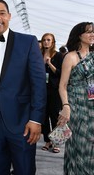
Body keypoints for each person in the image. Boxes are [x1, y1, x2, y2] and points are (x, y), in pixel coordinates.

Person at [0, 0, 46, 175]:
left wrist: (36, 119)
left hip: (23, 124)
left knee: (25, 170)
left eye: (1, 13)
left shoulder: (28, 42)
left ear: (9, 16)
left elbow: (38, 83)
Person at [58, 22, 94, 175]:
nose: (92, 35)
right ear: (79, 36)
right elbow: (63, 85)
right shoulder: (70, 57)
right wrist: (66, 106)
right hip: (77, 107)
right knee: (79, 146)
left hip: (92, 107)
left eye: (93, 32)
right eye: (88, 32)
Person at [40, 33, 63, 153]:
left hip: (54, 90)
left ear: (53, 42)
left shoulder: (58, 56)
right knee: (43, 117)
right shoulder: (39, 55)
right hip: (41, 90)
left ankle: (56, 142)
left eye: (48, 40)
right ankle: (47, 141)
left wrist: (49, 63)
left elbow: (60, 73)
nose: (46, 42)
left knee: (54, 117)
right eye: (44, 40)